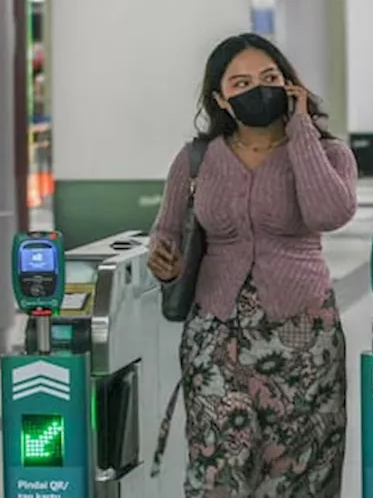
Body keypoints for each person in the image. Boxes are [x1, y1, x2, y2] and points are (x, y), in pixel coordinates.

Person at [146, 33, 358, 498]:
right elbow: (165, 232)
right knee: (217, 464)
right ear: (221, 98)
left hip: (302, 333)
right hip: (215, 331)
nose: (257, 89)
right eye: (241, 82)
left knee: (299, 466)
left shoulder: (329, 153)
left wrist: (301, 130)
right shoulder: (196, 159)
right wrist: (163, 262)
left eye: (269, 78)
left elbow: (329, 214)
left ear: (290, 84)